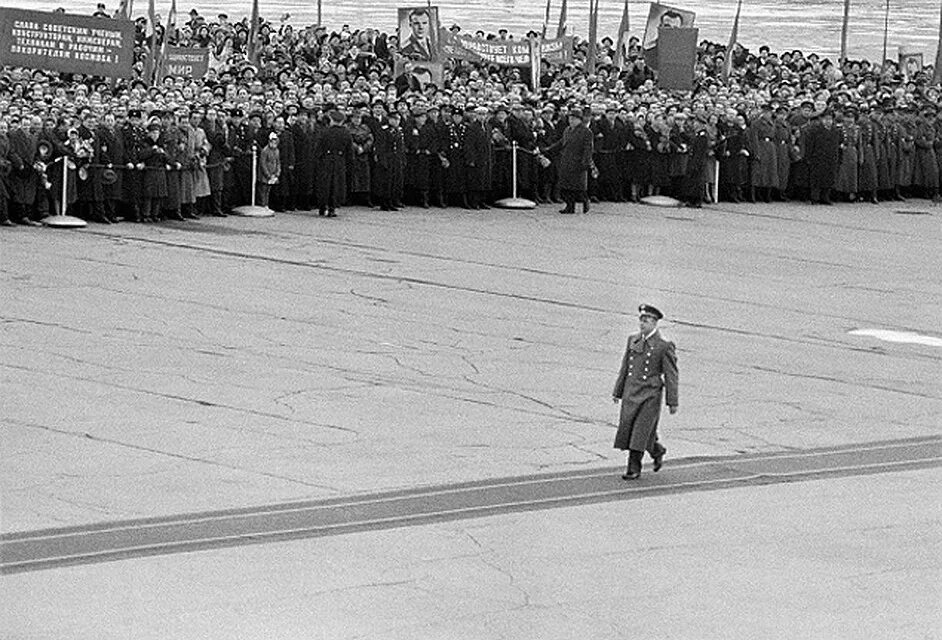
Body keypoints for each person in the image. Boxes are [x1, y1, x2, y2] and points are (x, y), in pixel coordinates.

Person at [612, 304, 678, 480]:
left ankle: (633, 468)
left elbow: (671, 374)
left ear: (655, 323)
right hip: (631, 392)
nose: (642, 324)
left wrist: (672, 401)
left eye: (647, 321)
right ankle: (657, 450)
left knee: (640, 431)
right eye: (641, 320)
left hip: (650, 394)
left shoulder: (663, 346)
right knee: (630, 428)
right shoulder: (633, 340)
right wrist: (618, 391)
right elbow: (625, 367)